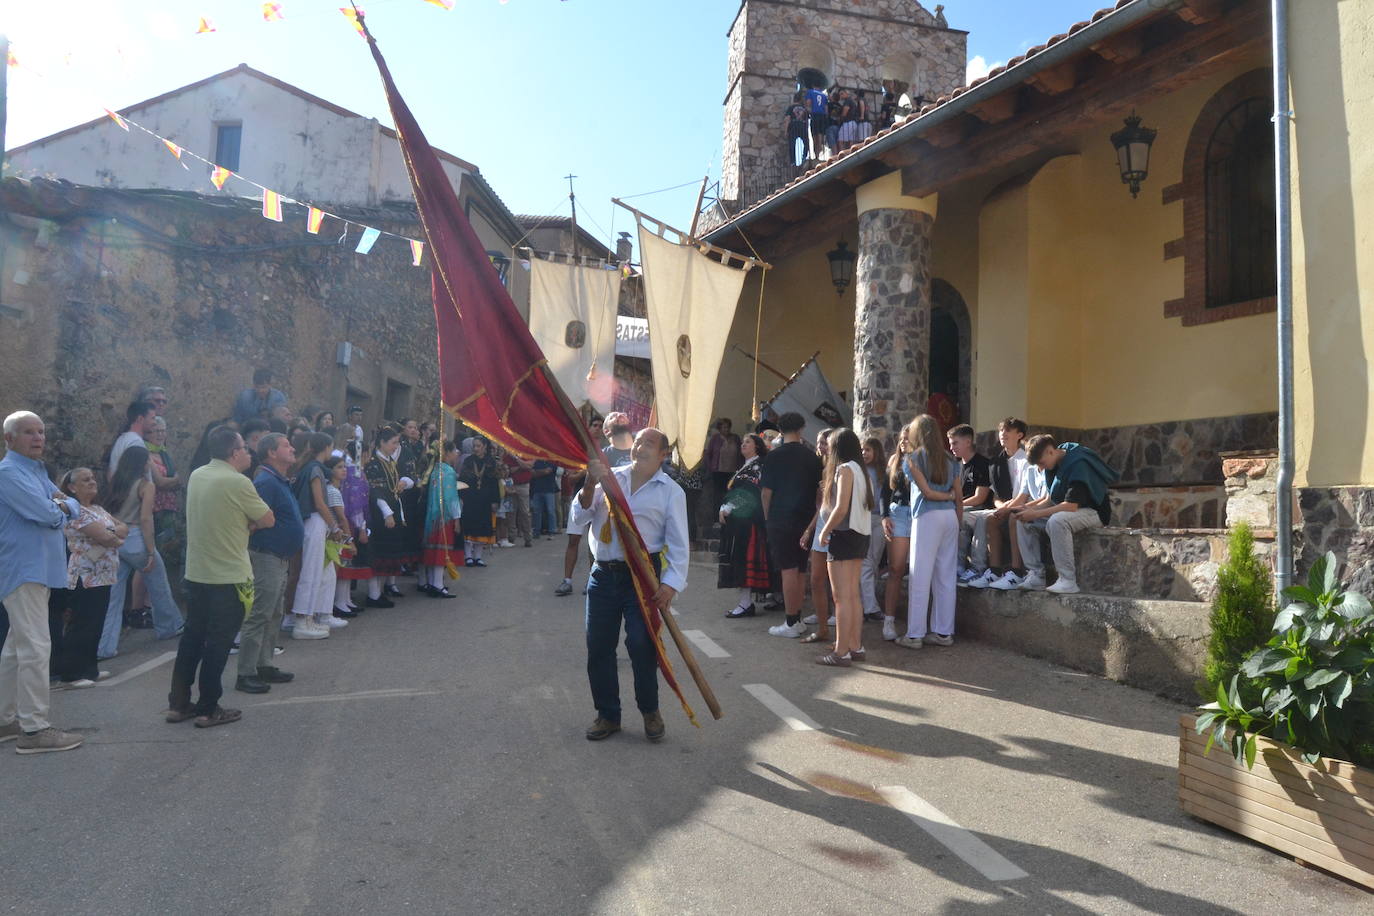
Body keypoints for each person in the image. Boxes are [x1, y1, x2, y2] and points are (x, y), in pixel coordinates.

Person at [570, 428, 688, 743]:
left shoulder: (671, 491)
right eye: (637, 441)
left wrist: (671, 585)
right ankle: (608, 715)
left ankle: (650, 710)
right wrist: (590, 483)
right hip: (603, 575)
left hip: (644, 576)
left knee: (641, 645)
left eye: (649, 443)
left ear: (664, 454)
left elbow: (678, 545)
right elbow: (579, 517)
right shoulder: (610, 479)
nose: (640, 447)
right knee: (598, 648)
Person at [168, 425, 273, 728]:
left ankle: (178, 703)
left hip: (197, 571)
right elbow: (267, 518)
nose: (248, 452)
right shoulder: (237, 482)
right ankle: (208, 706)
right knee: (218, 643)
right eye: (243, 447)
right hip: (228, 575)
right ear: (234, 452)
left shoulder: (198, 475)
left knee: (192, 638)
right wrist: (248, 525)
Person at [0, 411, 86, 754]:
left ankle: (5, 720)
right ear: (9, 439)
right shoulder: (8, 474)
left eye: (41, 432)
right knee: (35, 647)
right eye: (28, 433)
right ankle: (34, 730)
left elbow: (71, 504)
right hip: (24, 569)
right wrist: (63, 506)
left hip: (38, 569)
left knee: (15, 649)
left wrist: (64, 505)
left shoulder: (33, 472)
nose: (38, 438)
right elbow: (49, 513)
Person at [98, 447, 185, 658]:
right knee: (159, 584)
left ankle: (105, 647)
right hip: (136, 537)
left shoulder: (116, 484)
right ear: (142, 464)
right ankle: (169, 626)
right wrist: (150, 549)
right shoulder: (147, 486)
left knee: (113, 597)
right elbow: (146, 519)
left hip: (115, 538)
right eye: (148, 461)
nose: (150, 465)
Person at [237, 432, 302, 694]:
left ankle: (264, 664)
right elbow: (253, 520)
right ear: (272, 453)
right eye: (286, 445)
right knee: (259, 614)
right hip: (266, 556)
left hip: (278, 557)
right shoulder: (266, 482)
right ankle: (246, 672)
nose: (293, 449)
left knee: (274, 613)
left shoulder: (278, 480)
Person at [49, 468, 126, 689]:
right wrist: (112, 535)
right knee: (82, 623)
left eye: (93, 478)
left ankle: (89, 669)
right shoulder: (75, 510)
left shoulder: (98, 509)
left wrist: (111, 533)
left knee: (96, 621)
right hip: (85, 574)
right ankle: (71, 673)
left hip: (103, 573)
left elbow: (123, 529)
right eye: (85, 480)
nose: (92, 482)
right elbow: (106, 536)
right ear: (72, 487)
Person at [1013, 436, 1119, 595]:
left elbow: (1071, 505)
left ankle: (1067, 580)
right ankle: (1036, 575)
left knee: (1057, 521)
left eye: (1041, 463)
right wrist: (1028, 512)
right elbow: (1050, 500)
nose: (1041, 468)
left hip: (1094, 512)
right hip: (1070, 511)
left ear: (1050, 451)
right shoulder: (1053, 464)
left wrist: (1036, 513)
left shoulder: (1078, 463)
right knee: (1023, 520)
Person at [899, 414, 962, 650]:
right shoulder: (950, 459)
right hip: (949, 518)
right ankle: (943, 632)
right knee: (945, 576)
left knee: (920, 575)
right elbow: (959, 497)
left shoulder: (913, 458)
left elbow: (926, 492)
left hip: (927, 516)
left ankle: (915, 634)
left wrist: (946, 497)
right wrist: (956, 514)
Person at [760, 412, 823, 639]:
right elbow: (819, 492)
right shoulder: (812, 457)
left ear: (780, 429)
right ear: (802, 428)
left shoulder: (773, 456)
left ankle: (790, 621)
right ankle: (796, 619)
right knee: (800, 569)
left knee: (788, 569)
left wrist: (768, 518)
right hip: (806, 517)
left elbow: (766, 493)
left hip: (780, 517)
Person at [815, 429, 872, 667]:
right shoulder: (860, 469)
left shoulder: (844, 469)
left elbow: (840, 508)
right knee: (852, 594)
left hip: (843, 535)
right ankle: (855, 646)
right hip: (859, 534)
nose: (826, 449)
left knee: (841, 597)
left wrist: (825, 530)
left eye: (829, 444)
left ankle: (841, 651)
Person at [285, 432, 340, 639]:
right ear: (326, 448)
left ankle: (304, 618)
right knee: (311, 571)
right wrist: (334, 527)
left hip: (309, 521)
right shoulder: (315, 469)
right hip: (314, 520)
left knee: (309, 570)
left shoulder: (305, 467)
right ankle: (303, 621)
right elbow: (319, 503)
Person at [718, 434, 776, 618]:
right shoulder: (747, 466)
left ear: (757, 446)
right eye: (742, 442)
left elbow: (751, 491)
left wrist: (729, 507)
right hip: (740, 521)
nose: (743, 444)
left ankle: (745, 603)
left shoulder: (757, 465)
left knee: (743, 560)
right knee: (740, 560)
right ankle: (747, 602)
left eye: (748, 442)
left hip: (748, 521)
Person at [967, 418, 1030, 589]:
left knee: (1013, 518)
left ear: (1020, 435)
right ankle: (994, 571)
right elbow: (995, 496)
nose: (1003, 434)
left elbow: (1025, 494)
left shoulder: (1026, 459)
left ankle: (1016, 573)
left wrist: (1009, 508)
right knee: (990, 520)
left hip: (1025, 505)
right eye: (1001, 430)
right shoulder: (996, 462)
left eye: (1008, 431)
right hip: (1006, 506)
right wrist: (1002, 507)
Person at [363, 426, 415, 606]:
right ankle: (373, 594)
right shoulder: (374, 463)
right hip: (380, 514)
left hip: (392, 510)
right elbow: (376, 491)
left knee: (387, 553)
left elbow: (398, 483)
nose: (396, 446)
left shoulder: (389, 461)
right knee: (378, 554)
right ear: (382, 443)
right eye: (393, 443)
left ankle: (378, 592)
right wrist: (387, 513)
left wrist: (404, 482)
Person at [879, 423, 914, 642]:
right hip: (898, 513)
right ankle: (889, 620)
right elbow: (884, 491)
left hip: (921, 514)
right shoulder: (895, 461)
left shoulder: (925, 460)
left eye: (908, 438)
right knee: (896, 568)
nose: (903, 441)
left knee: (919, 571)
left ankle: (917, 623)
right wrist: (884, 517)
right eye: (902, 438)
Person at [799, 429, 834, 641]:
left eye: (824, 443)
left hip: (837, 528)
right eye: (819, 443)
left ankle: (841, 630)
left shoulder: (843, 469)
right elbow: (820, 506)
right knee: (816, 579)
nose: (820, 447)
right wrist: (810, 529)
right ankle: (823, 627)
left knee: (837, 584)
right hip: (822, 526)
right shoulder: (823, 469)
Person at [948, 424, 994, 586]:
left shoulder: (983, 464)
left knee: (958, 517)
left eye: (955, 443)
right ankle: (955, 566)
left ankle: (971, 568)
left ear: (968, 442)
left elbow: (979, 498)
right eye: (950, 443)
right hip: (963, 508)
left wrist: (956, 505)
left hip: (980, 510)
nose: (951, 447)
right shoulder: (955, 466)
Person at [420, 441, 463, 598]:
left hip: (432, 516)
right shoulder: (449, 472)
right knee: (441, 550)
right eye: (454, 450)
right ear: (447, 453)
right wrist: (457, 518)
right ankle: (438, 584)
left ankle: (432, 582)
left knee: (433, 548)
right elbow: (451, 498)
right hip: (444, 517)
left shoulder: (435, 470)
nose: (456, 453)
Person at [459, 437, 502, 566]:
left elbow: (495, 483)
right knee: (468, 527)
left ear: (484, 446)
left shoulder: (491, 462)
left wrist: (495, 501)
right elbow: (462, 480)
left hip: (485, 500)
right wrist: (461, 496)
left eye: (478, 446)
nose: (475, 448)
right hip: (470, 499)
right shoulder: (468, 461)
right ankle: (468, 556)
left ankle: (478, 556)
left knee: (482, 528)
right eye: (474, 446)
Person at [858, 436, 888, 621]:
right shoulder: (859, 471)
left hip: (880, 518)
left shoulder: (883, 472)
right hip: (866, 517)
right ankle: (870, 607)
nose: (864, 453)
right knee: (867, 562)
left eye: (868, 450)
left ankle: (866, 603)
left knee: (874, 561)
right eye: (862, 450)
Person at [108, 400, 157, 480]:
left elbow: (110, 474)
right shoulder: (136, 443)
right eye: (153, 418)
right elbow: (135, 479)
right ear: (140, 419)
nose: (155, 422)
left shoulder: (123, 439)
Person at [705, 418, 743, 517]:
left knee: (731, 496)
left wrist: (741, 468)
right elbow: (708, 454)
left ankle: (729, 517)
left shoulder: (735, 438)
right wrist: (711, 468)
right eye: (724, 427)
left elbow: (740, 453)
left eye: (728, 427)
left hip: (733, 472)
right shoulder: (715, 439)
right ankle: (717, 518)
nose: (726, 429)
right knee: (718, 496)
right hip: (718, 472)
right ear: (719, 429)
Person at [503, 449, 534, 548]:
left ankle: (528, 538)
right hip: (510, 484)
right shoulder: (507, 454)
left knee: (525, 512)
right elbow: (507, 470)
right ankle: (511, 537)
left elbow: (529, 466)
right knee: (511, 512)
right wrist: (522, 465)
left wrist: (516, 458)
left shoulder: (527, 452)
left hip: (524, 485)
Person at [530, 459, 559, 538]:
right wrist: (542, 471)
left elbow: (547, 471)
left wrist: (537, 472)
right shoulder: (537, 461)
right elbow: (533, 473)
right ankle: (536, 531)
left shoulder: (552, 461)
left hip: (549, 489)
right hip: (537, 489)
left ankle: (552, 531)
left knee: (550, 511)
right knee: (536, 511)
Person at [784, 91, 810, 166]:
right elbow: (807, 120)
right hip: (802, 126)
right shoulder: (804, 108)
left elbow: (787, 119)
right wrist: (807, 130)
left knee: (792, 144)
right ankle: (804, 157)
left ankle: (793, 161)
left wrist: (786, 131)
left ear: (794, 99)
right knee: (806, 143)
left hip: (793, 126)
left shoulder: (791, 107)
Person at [804, 83, 829, 159]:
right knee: (820, 134)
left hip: (815, 115)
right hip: (823, 116)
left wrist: (808, 111)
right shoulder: (824, 95)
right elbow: (826, 108)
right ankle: (820, 149)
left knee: (814, 135)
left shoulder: (810, 92)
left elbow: (808, 103)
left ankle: (816, 155)